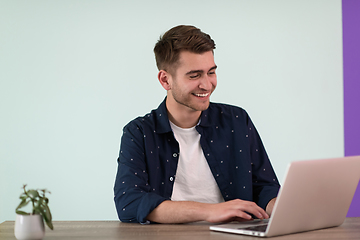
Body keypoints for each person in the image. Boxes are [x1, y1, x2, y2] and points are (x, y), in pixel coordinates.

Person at [114, 25, 280, 224]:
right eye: (194, 76)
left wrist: (283, 206)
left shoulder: (237, 120)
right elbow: (129, 203)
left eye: (211, 72)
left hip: (233, 236)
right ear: (165, 80)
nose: (207, 85)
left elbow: (264, 188)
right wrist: (211, 212)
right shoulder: (139, 132)